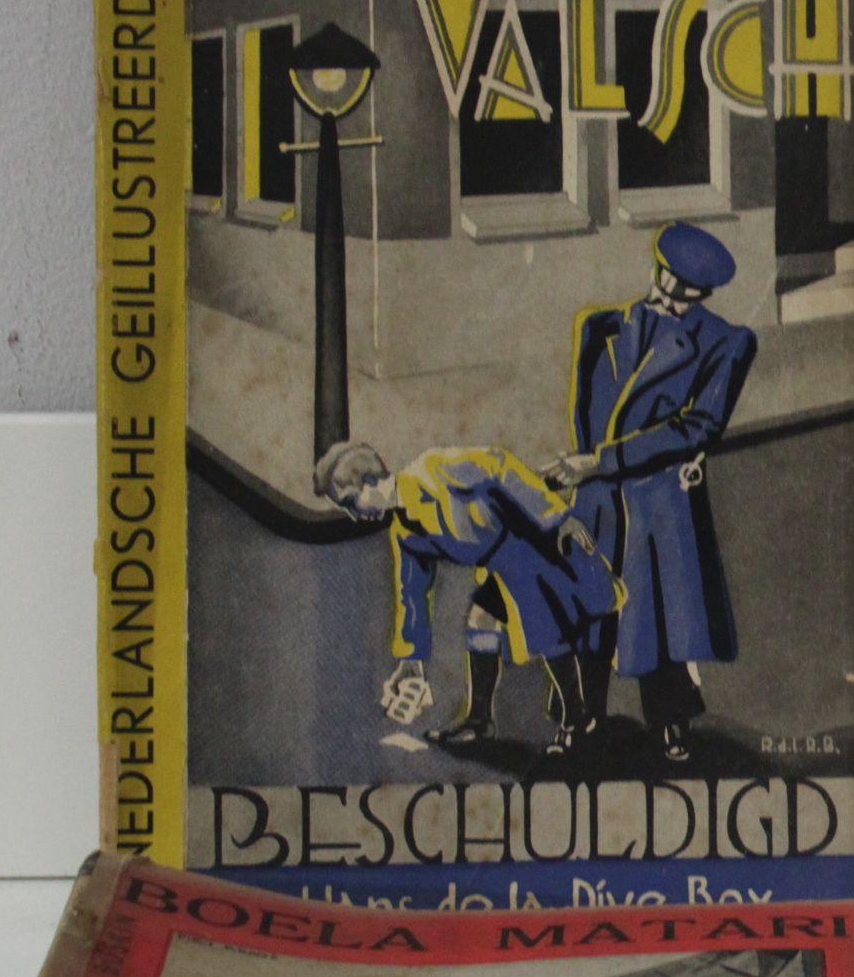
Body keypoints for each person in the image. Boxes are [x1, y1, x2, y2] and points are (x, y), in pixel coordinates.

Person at [548, 222, 757, 762]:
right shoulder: (598, 326)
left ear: (704, 294)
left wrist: (599, 462)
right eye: (668, 282)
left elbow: (697, 426)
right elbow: (584, 413)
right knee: (588, 612)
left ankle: (671, 723)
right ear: (655, 270)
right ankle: (578, 716)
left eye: (687, 292)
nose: (672, 297)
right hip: (597, 496)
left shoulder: (728, 342)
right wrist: (587, 471)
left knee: (659, 617)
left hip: (659, 500)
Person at [315, 440, 619, 755]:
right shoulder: (403, 530)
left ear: (370, 481)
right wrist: (412, 660)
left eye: (351, 502)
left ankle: (577, 722)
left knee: (547, 630)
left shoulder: (434, 470)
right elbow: (412, 593)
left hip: (536, 544)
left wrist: (556, 515)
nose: (354, 515)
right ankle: (479, 722)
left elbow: (500, 465)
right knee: (481, 619)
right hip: (505, 565)